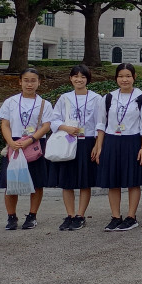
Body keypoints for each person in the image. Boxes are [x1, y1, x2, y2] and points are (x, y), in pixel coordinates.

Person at [94, 63, 142, 231]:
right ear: (116, 78)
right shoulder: (108, 98)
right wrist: (99, 147)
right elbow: (101, 124)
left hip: (133, 141)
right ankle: (115, 216)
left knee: (132, 181)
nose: (124, 79)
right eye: (121, 76)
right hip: (111, 141)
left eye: (128, 76)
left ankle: (131, 216)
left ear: (134, 77)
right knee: (113, 182)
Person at [0, 68, 53, 230]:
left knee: (36, 183)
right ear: (20, 81)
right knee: (11, 182)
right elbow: (5, 124)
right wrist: (10, 142)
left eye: (33, 80)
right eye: (26, 80)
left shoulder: (44, 104)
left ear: (39, 82)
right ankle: (11, 217)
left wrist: (31, 139)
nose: (30, 84)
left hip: (34, 145)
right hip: (14, 144)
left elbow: (46, 126)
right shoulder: (10, 102)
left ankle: (32, 216)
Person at [48, 65, 103, 231]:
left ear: (88, 79)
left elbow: (100, 123)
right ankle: (70, 215)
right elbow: (54, 120)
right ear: (71, 78)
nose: (79, 79)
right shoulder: (64, 98)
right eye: (76, 76)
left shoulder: (96, 98)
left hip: (87, 142)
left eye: (83, 77)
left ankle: (80, 215)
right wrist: (66, 128)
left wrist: (97, 145)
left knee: (85, 181)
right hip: (68, 140)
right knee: (67, 181)